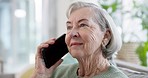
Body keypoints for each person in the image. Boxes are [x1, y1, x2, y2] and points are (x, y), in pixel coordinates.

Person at [31, 1, 128, 78]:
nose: (72, 33)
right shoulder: (57, 73)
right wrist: (40, 75)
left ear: (106, 36)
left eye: (83, 25)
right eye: (69, 27)